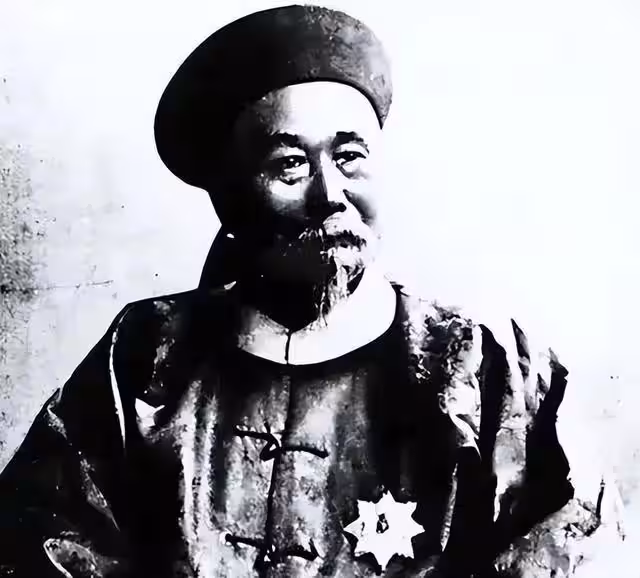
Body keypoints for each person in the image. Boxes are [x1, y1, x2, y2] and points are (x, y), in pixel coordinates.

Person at [0, 5, 624, 577]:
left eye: (350, 157)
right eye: (290, 165)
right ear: (230, 198)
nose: (331, 195)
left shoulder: (486, 369)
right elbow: (40, 540)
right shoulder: (145, 357)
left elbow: (572, 545)